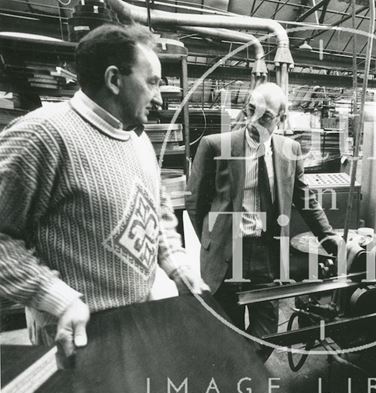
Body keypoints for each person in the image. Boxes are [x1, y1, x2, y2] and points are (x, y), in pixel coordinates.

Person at [0, 24, 207, 356]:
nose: (159, 97)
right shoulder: (42, 135)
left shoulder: (137, 140)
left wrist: (177, 267)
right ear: (114, 80)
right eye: (152, 82)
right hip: (75, 336)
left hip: (138, 318)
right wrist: (59, 300)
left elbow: (158, 211)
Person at [186, 82, 340, 359]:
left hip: (267, 255)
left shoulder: (289, 150)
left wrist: (330, 238)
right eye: (252, 110)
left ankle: (248, 373)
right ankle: (238, 386)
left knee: (267, 335)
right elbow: (195, 203)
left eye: (266, 116)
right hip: (226, 255)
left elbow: (306, 200)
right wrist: (211, 241)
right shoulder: (214, 146)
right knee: (228, 335)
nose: (255, 120)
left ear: (281, 119)